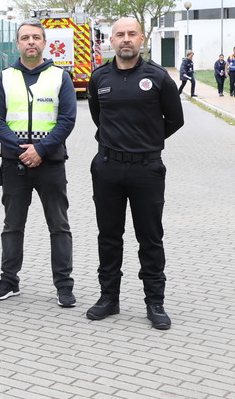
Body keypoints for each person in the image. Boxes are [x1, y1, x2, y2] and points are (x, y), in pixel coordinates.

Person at [86, 17, 184, 330]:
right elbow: (98, 117)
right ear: (110, 41)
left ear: (141, 39)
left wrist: (148, 142)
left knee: (151, 238)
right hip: (108, 168)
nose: (125, 39)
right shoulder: (99, 77)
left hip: (147, 169)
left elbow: (175, 119)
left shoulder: (158, 77)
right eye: (119, 35)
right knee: (109, 237)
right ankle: (108, 298)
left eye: (131, 34)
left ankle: (154, 302)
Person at [0, 19, 77, 308]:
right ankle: (9, 281)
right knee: (12, 225)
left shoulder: (60, 77)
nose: (31, 42)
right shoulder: (4, 77)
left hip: (50, 163)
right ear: (17, 43)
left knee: (59, 226)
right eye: (25, 37)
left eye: (36, 37)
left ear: (44, 42)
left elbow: (67, 120)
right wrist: (20, 150)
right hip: (15, 165)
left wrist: (41, 149)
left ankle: (64, 286)